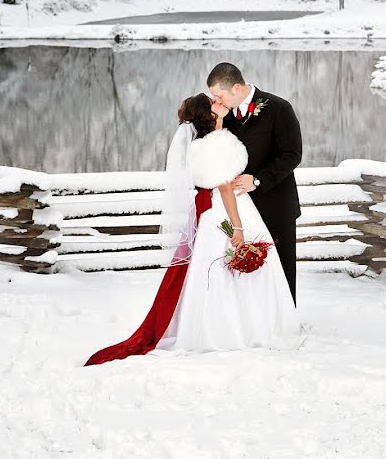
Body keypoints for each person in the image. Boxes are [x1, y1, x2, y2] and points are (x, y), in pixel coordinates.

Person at [84, 93, 302, 366]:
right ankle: (247, 329)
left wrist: (219, 121)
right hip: (228, 208)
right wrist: (237, 226)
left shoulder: (201, 141)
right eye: (213, 102)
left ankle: (221, 326)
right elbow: (224, 186)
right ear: (206, 114)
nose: (218, 101)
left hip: (210, 212)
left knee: (213, 271)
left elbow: (216, 151)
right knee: (230, 271)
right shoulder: (209, 146)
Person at [207, 62, 303, 307]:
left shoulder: (279, 108)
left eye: (219, 95)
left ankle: (285, 320)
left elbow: (292, 155)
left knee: (280, 267)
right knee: (247, 267)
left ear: (236, 88)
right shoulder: (223, 115)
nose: (215, 100)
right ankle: (257, 320)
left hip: (275, 204)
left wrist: (258, 180)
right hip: (240, 209)